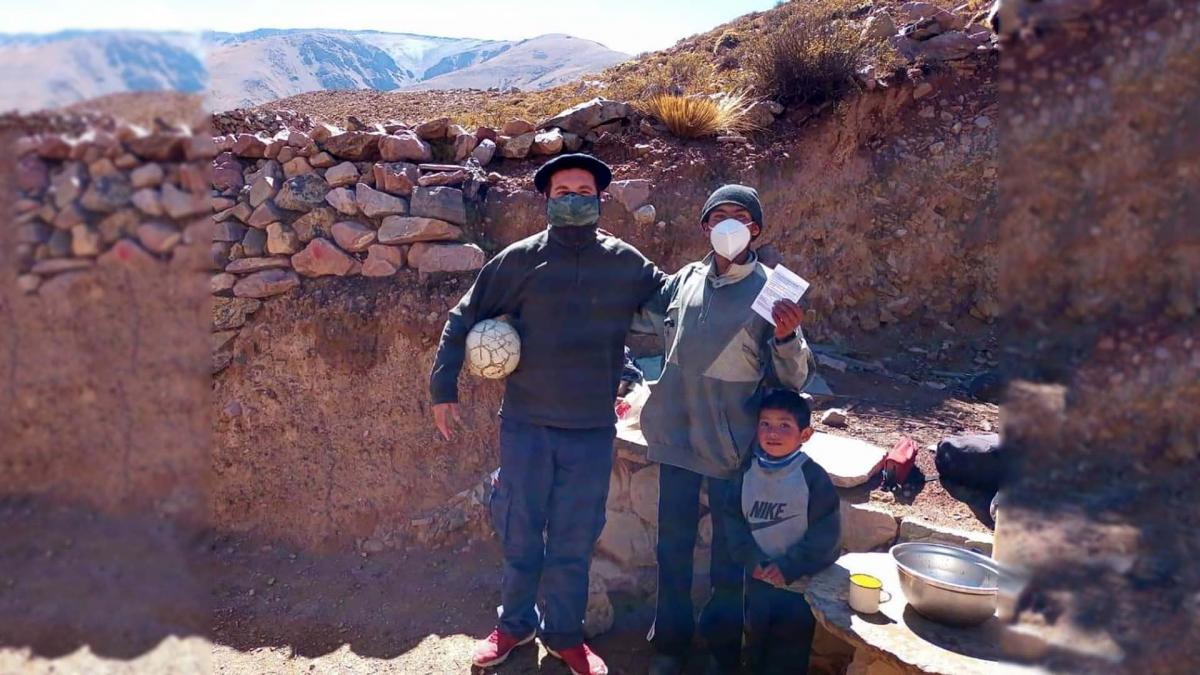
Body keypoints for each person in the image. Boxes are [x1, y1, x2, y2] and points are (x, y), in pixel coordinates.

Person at [428, 153, 666, 675]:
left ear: (601, 199)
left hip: (590, 430)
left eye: (585, 190)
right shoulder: (520, 260)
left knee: (574, 539)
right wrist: (443, 385)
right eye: (563, 191)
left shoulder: (624, 261)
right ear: (547, 200)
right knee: (519, 529)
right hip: (527, 426)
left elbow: (676, 302)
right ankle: (513, 625)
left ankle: (564, 635)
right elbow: (463, 316)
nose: (574, 198)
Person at [634, 184, 816, 674]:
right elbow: (643, 325)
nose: (730, 223)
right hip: (674, 439)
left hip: (732, 449)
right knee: (671, 549)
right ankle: (670, 646)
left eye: (741, 216)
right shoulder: (685, 279)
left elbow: (795, 377)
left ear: (756, 229)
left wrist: (787, 336)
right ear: (705, 227)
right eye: (719, 215)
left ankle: (720, 653)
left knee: (727, 561)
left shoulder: (773, 290)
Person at [717, 389, 841, 675]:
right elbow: (733, 520)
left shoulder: (812, 478)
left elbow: (827, 535)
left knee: (788, 653)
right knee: (754, 643)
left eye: (784, 425)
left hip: (798, 588)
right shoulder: (747, 472)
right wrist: (753, 560)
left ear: (805, 434)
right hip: (758, 580)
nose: (773, 433)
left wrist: (788, 566)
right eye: (765, 424)